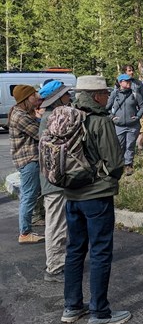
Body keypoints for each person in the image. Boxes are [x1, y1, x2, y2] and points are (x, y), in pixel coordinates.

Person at [61, 75, 131, 324]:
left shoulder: (67, 117)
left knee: (75, 249)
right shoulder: (99, 121)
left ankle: (71, 306)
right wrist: (109, 176)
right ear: (96, 96)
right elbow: (114, 163)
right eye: (104, 93)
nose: (106, 97)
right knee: (100, 252)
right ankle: (100, 313)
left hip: (70, 195)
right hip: (96, 197)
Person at [37, 80, 73, 282]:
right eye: (66, 95)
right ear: (58, 98)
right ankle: (55, 267)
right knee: (56, 224)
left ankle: (57, 261)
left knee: (58, 222)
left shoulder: (49, 117)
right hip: (54, 182)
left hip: (53, 179)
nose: (69, 97)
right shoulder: (54, 119)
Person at [9, 85, 44, 244]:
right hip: (29, 160)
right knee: (29, 196)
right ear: (25, 99)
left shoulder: (19, 112)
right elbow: (40, 133)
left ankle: (28, 228)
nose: (36, 98)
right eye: (33, 96)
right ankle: (25, 233)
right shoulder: (20, 116)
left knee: (29, 195)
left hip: (27, 160)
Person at [107, 74, 143, 176]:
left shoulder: (135, 94)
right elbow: (106, 107)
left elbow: (142, 106)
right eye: (126, 81)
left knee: (130, 145)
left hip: (133, 125)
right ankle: (120, 165)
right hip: (119, 125)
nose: (129, 83)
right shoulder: (114, 94)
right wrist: (111, 117)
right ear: (120, 83)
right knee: (119, 146)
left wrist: (137, 117)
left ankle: (128, 165)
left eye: (130, 81)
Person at [120, 64, 143, 151]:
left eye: (132, 70)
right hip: (126, 111)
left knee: (142, 129)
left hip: (138, 110)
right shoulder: (120, 83)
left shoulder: (138, 83)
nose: (131, 72)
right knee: (128, 131)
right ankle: (128, 150)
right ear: (125, 72)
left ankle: (140, 148)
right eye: (129, 71)